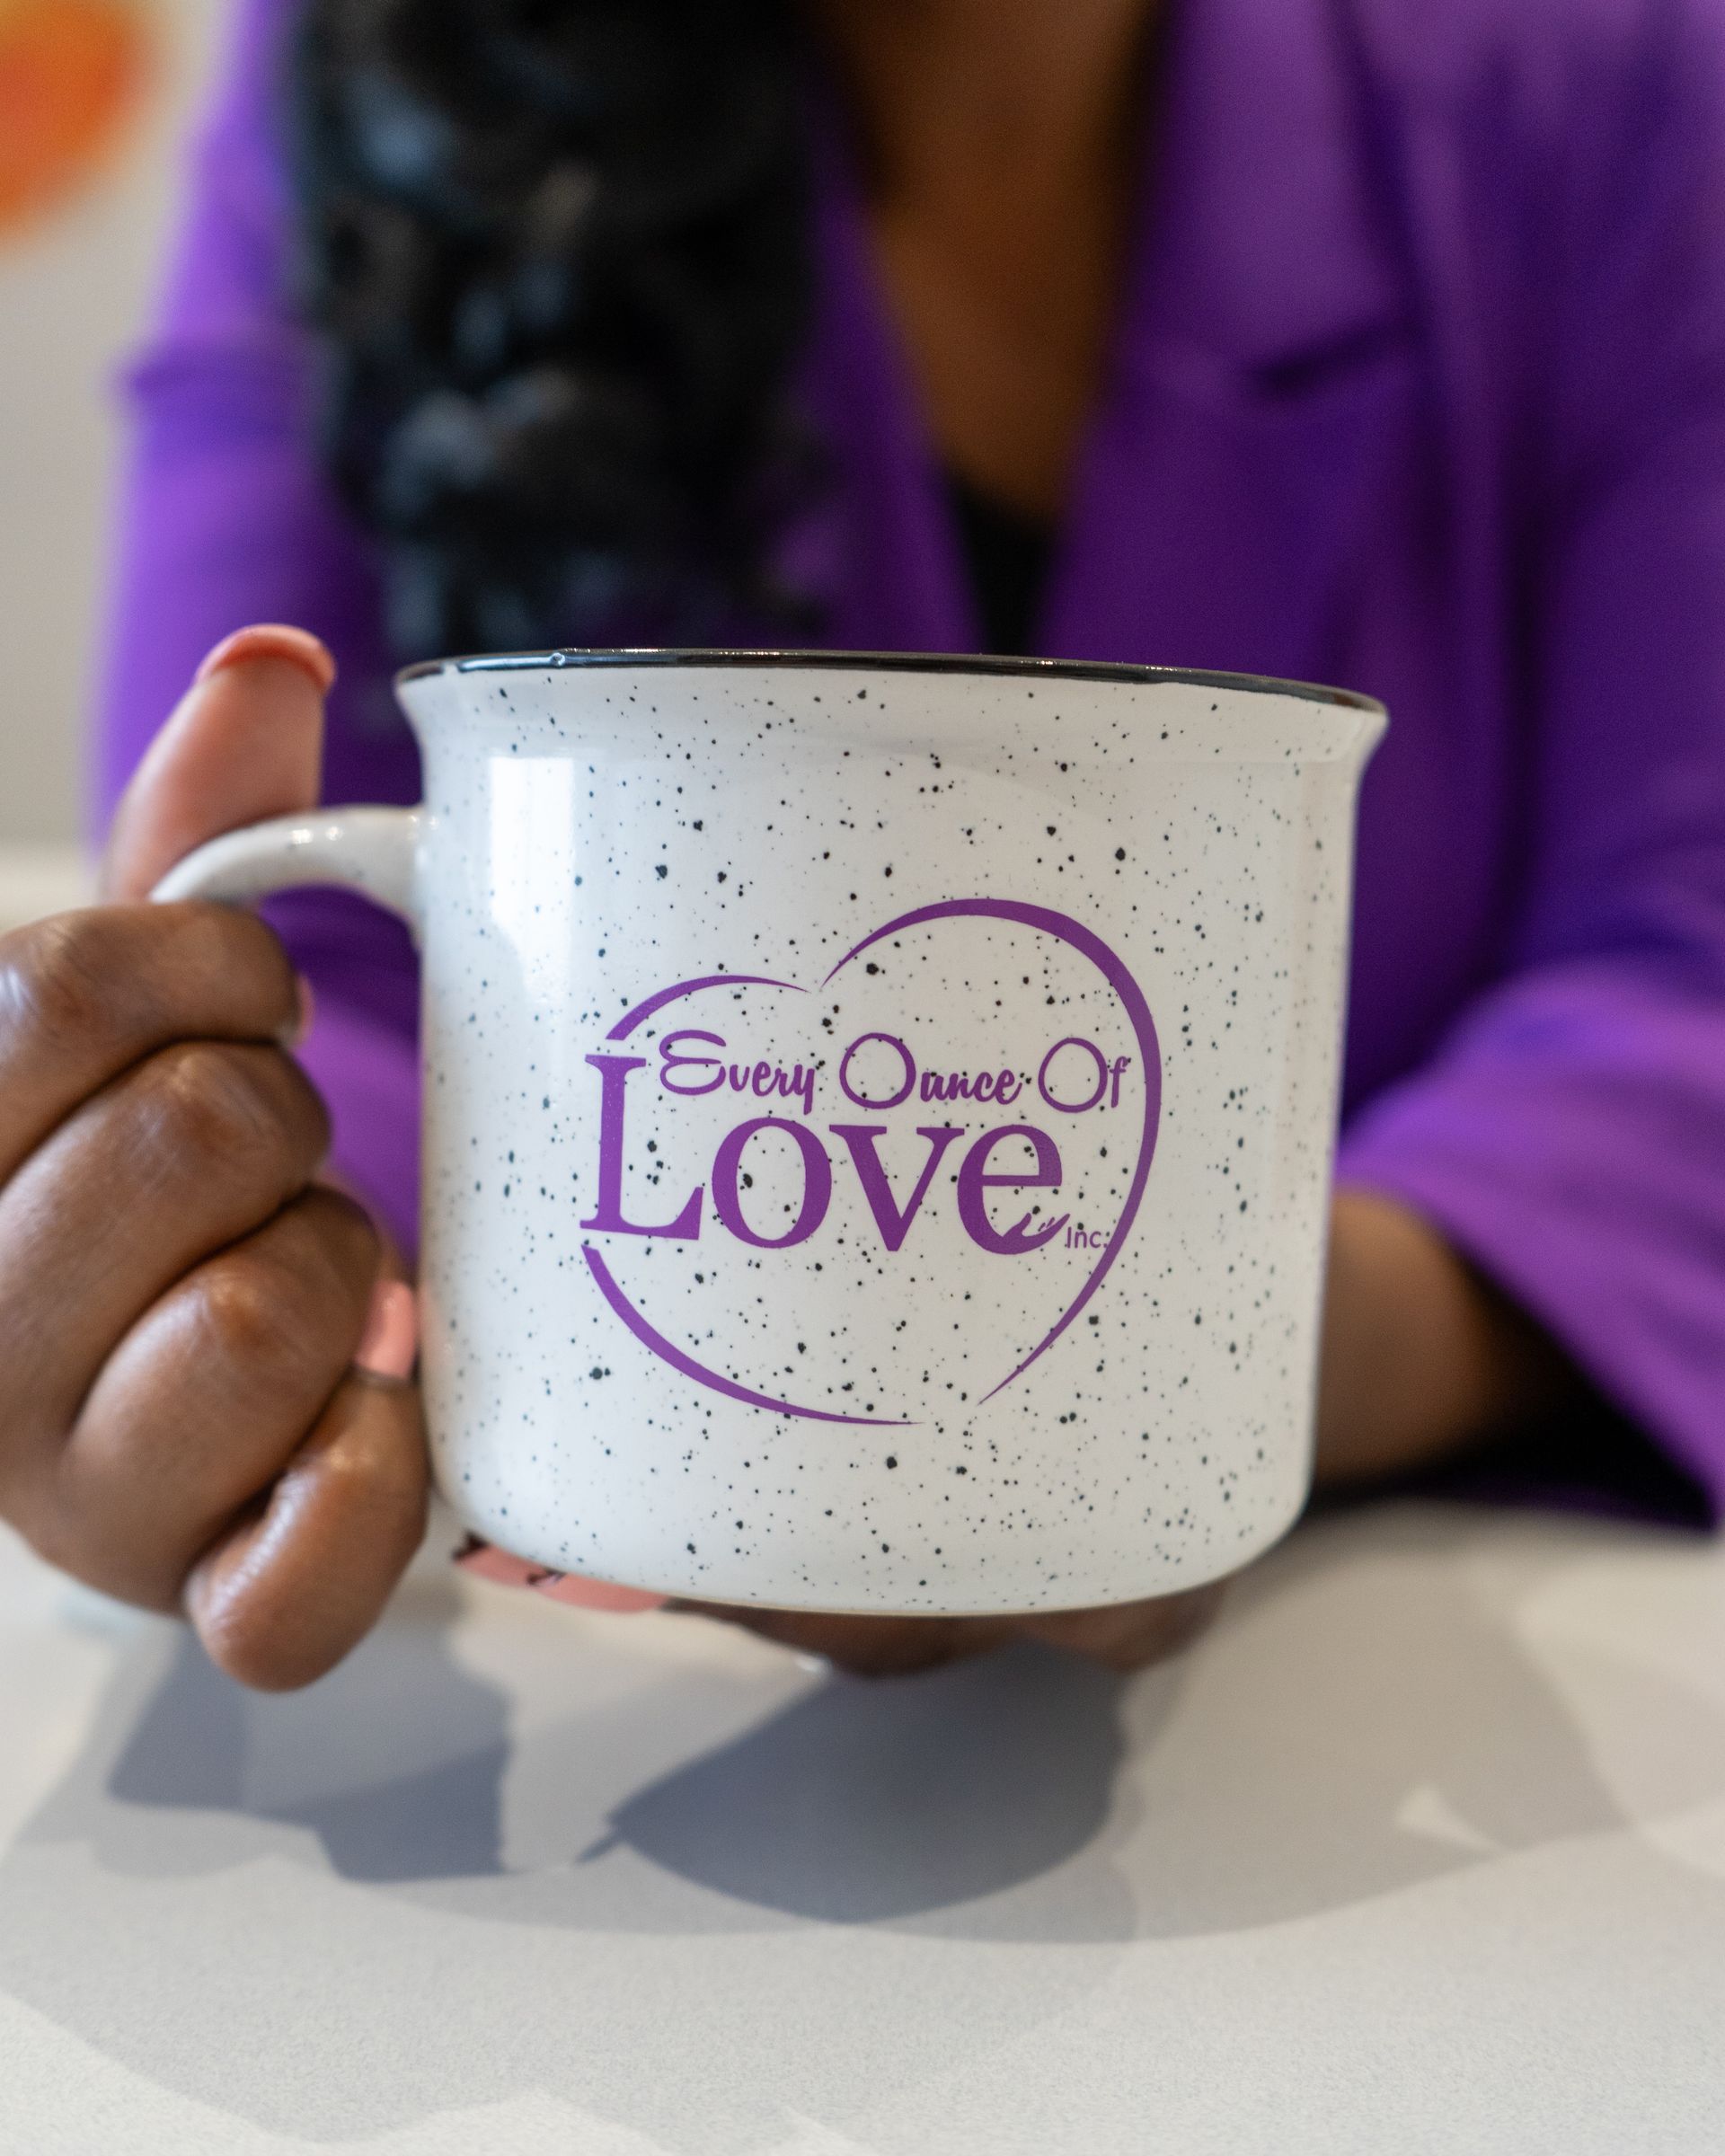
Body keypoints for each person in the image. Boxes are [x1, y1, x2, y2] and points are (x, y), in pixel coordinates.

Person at [1, 0, 1721, 1690]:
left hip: (1382, 1684)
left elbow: (1683, 993)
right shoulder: (377, 66)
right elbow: (346, 976)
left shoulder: (1624, 83)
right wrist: (228, 1288)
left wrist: (1231, 1356)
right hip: (579, 1701)